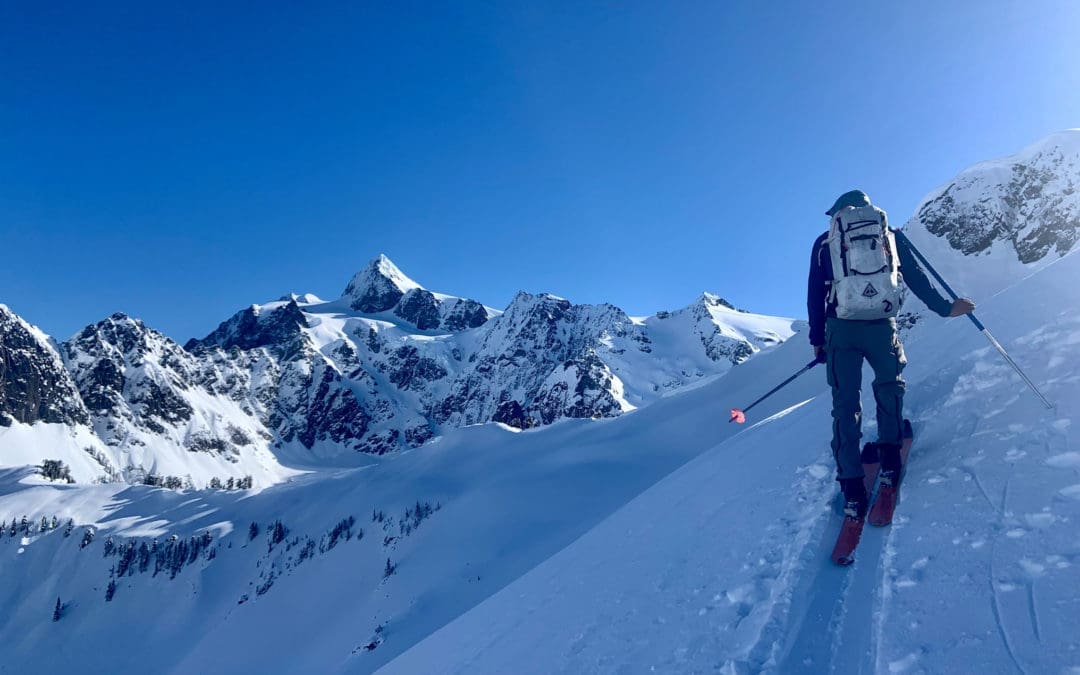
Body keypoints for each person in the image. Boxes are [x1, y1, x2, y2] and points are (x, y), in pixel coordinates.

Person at [807, 189, 975, 520]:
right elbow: (916, 278)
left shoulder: (825, 242)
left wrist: (818, 339)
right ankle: (890, 460)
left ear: (838, 214)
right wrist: (945, 308)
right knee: (889, 386)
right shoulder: (891, 235)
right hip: (882, 327)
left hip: (842, 330)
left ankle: (852, 488)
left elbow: (815, 293)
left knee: (845, 405)